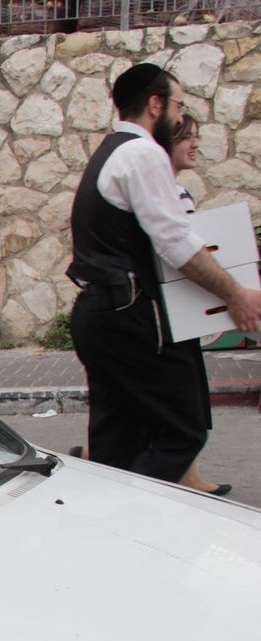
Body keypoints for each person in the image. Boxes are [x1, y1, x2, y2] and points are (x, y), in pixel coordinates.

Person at [66, 63, 261, 485]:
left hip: (101, 314)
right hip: (132, 315)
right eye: (177, 107)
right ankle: (135, 511)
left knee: (118, 442)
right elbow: (175, 243)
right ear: (155, 104)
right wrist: (236, 294)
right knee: (182, 431)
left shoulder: (110, 151)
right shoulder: (142, 153)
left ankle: (107, 515)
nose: (179, 117)